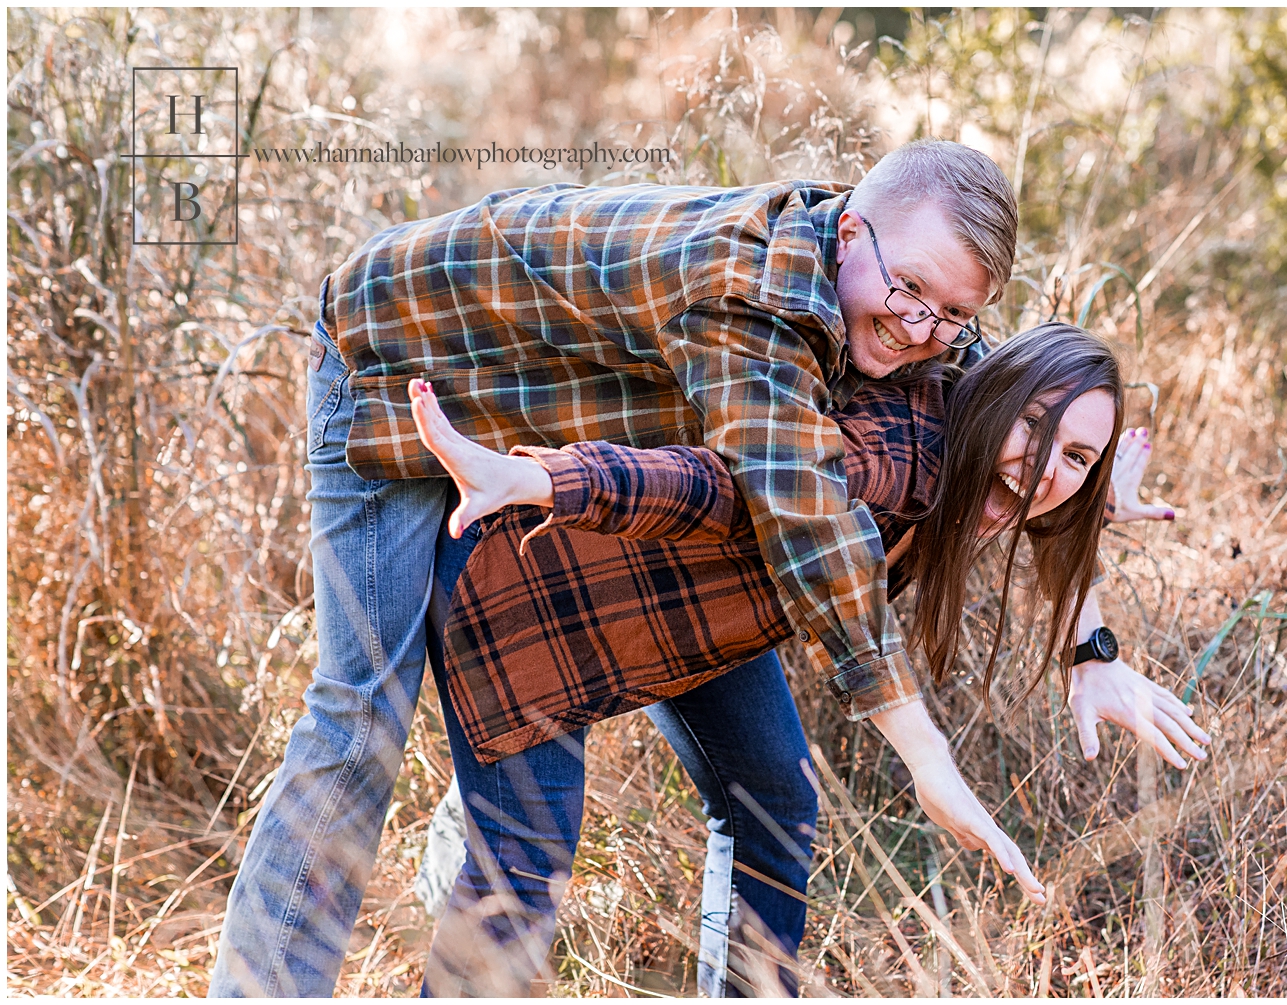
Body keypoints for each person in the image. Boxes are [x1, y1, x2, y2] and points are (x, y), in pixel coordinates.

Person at [210, 140, 1019, 996]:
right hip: (395, 372)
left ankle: (469, 834)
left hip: (541, 430)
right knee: (362, 709)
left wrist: (1092, 633)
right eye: (912, 291)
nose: (921, 329)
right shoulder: (745, 290)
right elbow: (803, 510)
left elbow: (1006, 404)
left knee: (754, 789)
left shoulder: (882, 279)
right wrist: (923, 749)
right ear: (850, 232)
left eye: (953, 313)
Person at [408, 324, 1208, 995]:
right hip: (543, 579)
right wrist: (544, 476)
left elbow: (1040, 494)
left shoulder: (983, 419)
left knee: (773, 801)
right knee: (528, 845)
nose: (1044, 472)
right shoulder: (885, 462)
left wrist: (1091, 644)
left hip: (691, 615)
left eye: (1077, 458)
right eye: (1036, 428)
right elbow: (707, 487)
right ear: (999, 398)